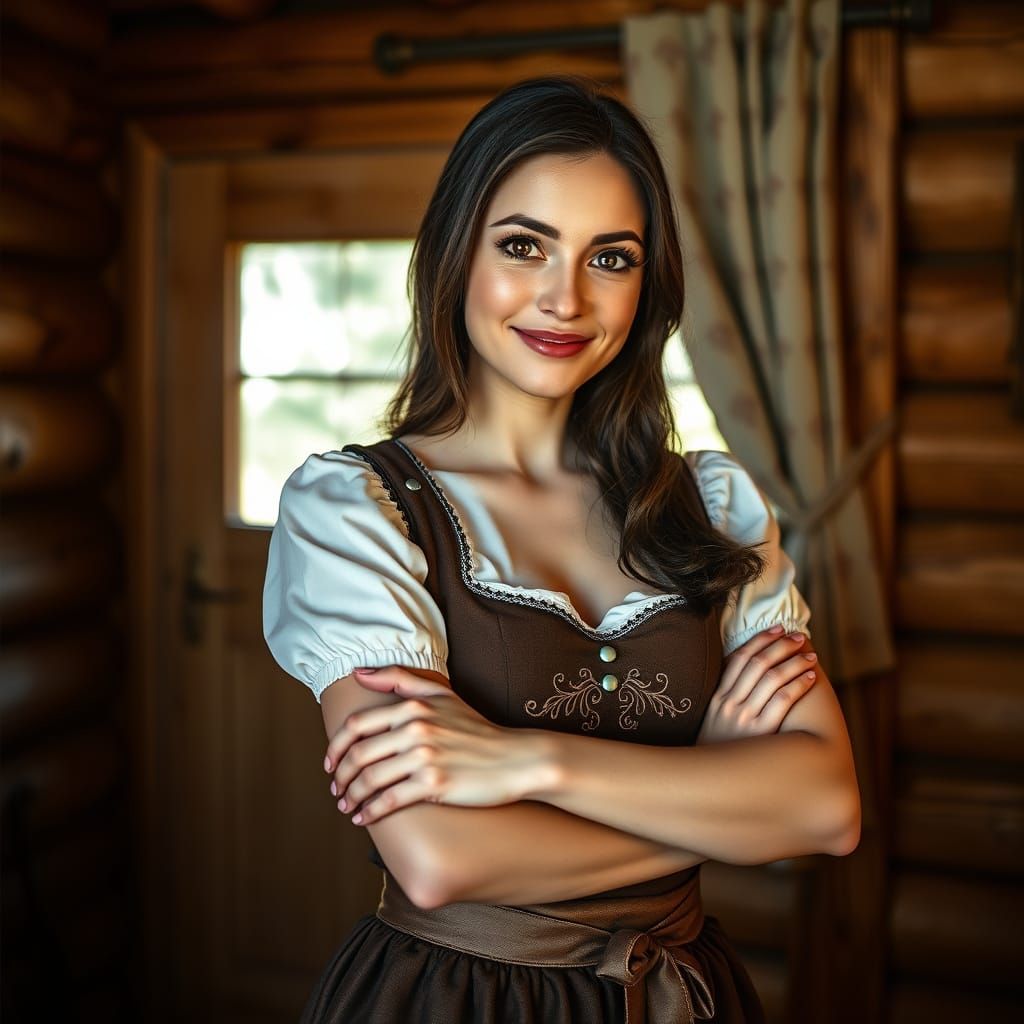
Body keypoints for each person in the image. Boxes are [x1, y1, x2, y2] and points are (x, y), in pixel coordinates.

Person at [263, 75, 860, 1023]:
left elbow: (827, 806)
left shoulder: (712, 505)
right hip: (455, 999)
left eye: (610, 258)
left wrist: (532, 763)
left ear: (647, 284)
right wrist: (721, 796)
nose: (565, 298)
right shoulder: (357, 509)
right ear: (457, 252)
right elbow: (440, 857)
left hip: (684, 996)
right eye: (523, 245)